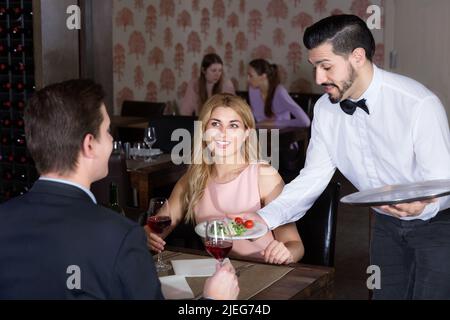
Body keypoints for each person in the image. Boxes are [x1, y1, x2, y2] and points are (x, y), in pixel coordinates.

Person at [256, 14, 450, 299]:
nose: (319, 78)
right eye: (315, 67)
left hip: (438, 222)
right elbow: (313, 177)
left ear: (357, 56)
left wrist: (423, 208)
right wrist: (260, 220)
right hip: (385, 224)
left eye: (326, 66)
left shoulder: (419, 104)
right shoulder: (324, 109)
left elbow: (444, 181)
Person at [0, 79, 239, 300]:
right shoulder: (120, 236)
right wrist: (213, 300)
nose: (112, 142)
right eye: (107, 132)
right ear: (89, 145)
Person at [146, 93, 304, 265]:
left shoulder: (264, 177)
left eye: (233, 125)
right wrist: (147, 235)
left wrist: (286, 253)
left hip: (262, 270)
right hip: (214, 272)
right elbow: (158, 229)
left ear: (246, 134)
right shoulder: (192, 179)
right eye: (215, 124)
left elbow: (295, 245)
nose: (223, 133)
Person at [247, 59, 311, 127]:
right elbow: (260, 119)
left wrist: (275, 123)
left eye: (250, 76)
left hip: (282, 132)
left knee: (270, 134)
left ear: (263, 76)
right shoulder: (253, 90)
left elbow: (305, 121)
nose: (247, 79)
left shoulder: (280, 92)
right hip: (263, 131)